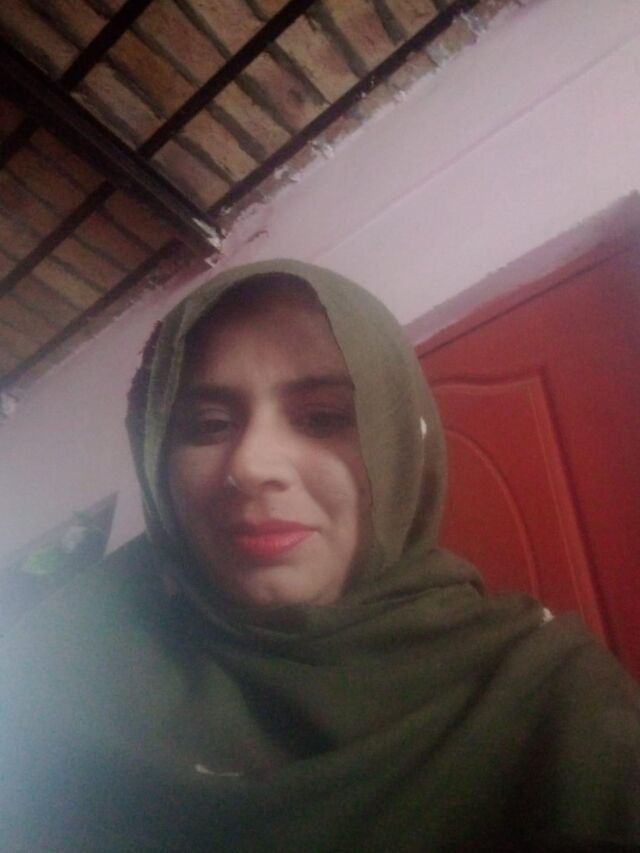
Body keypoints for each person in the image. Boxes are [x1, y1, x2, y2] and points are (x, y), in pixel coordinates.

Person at [1, 259, 639, 852]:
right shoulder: (56, 672)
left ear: (401, 448)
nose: (253, 466)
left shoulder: (550, 698)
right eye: (208, 426)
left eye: (322, 417)